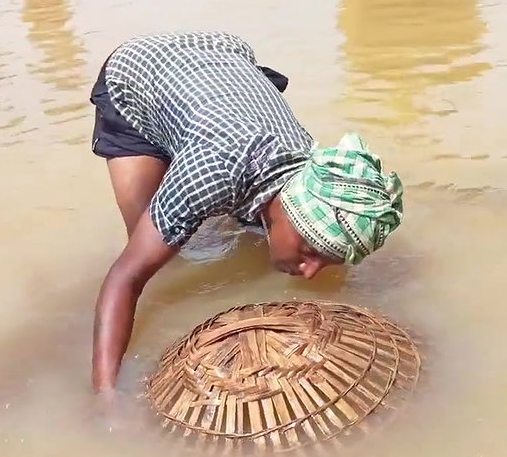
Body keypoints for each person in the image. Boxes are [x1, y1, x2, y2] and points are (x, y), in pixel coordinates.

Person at [88, 31, 405, 393]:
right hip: (136, 75)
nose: (312, 272)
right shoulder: (212, 173)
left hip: (225, 59)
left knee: (238, 224)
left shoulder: (308, 166)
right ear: (288, 211)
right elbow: (125, 279)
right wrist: (106, 397)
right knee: (155, 250)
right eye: (311, 252)